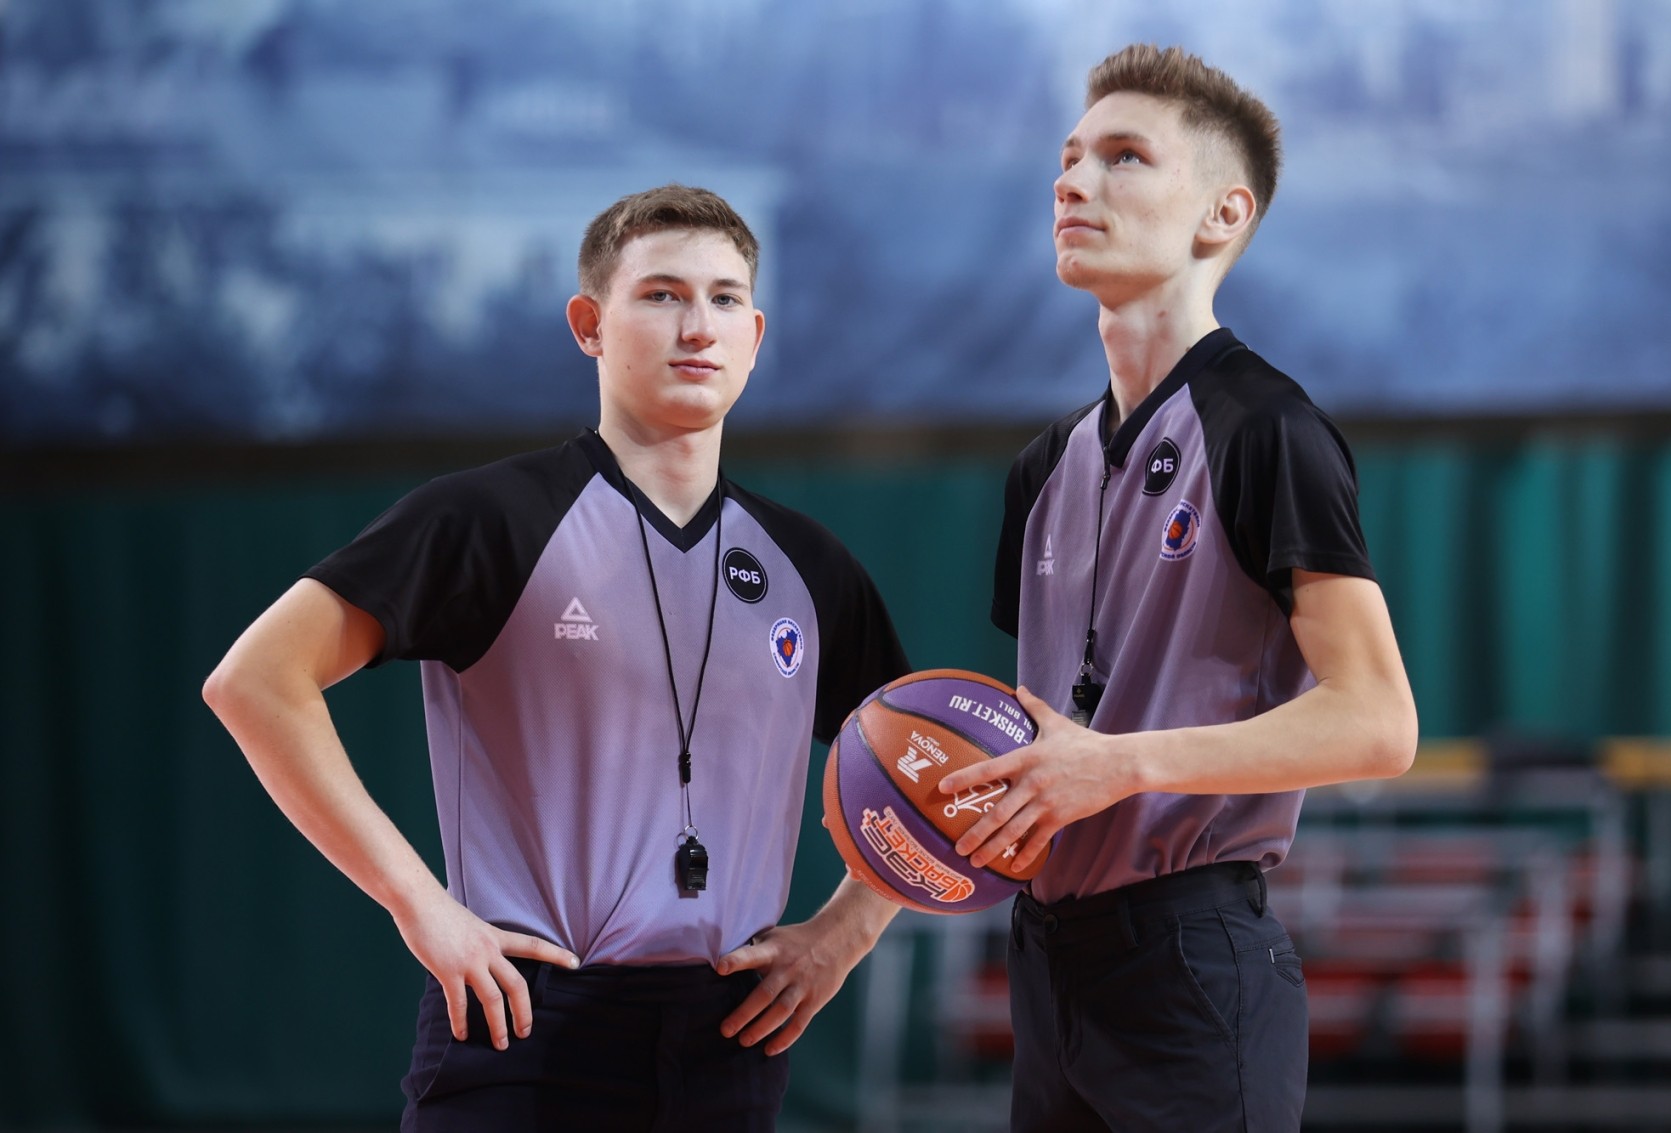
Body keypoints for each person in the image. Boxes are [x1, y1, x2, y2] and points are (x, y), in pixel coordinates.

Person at [202, 184, 908, 1131]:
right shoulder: (491, 518)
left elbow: (931, 780)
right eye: (661, 294)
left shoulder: (808, 566)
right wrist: (418, 903)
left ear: (754, 334)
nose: (698, 325)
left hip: (730, 1041)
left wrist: (846, 932)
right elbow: (256, 680)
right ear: (589, 324)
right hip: (524, 1025)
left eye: (725, 298)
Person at [934, 44, 1420, 1132]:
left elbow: (1380, 722)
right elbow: (1054, 733)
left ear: (1220, 214)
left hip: (1192, 956)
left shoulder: (1267, 427)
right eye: (1069, 157)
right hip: (1046, 957)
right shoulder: (1040, 466)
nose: (1072, 181)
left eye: (1123, 157)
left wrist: (1118, 764)